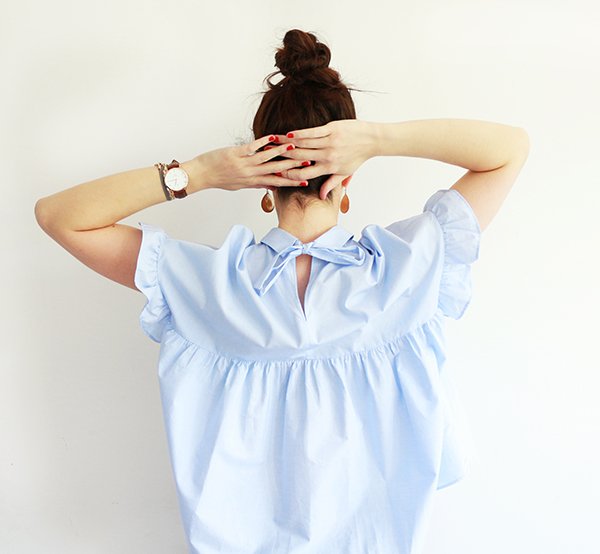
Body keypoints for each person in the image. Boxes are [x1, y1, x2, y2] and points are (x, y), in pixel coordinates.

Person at [34, 28, 529, 554]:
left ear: (264, 190)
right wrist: (377, 141)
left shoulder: (208, 284)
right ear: (346, 182)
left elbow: (58, 216)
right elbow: (509, 150)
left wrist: (197, 173)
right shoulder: (405, 269)